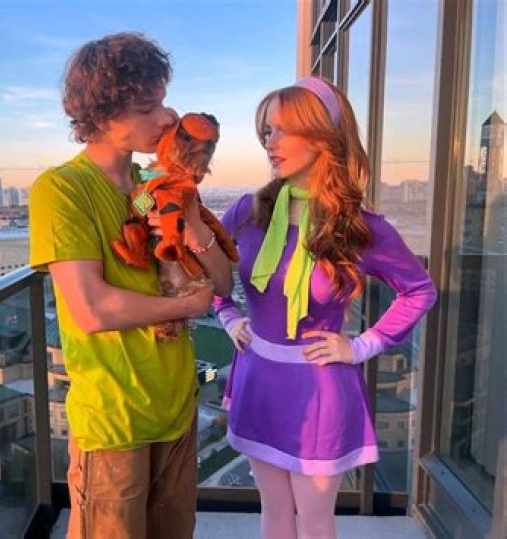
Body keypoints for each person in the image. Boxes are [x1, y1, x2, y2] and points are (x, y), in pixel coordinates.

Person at [213, 77, 437, 539]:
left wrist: (361, 346)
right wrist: (228, 315)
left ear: (323, 138)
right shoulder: (247, 212)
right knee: (273, 512)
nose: (270, 143)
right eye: (267, 131)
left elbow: (419, 290)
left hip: (319, 390)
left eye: (283, 130)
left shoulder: (359, 228)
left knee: (315, 522)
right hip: (258, 379)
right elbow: (203, 270)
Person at [29, 32, 233, 539]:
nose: (167, 118)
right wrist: (189, 305)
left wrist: (191, 220)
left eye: (164, 101)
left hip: (176, 406)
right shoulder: (62, 189)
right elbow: (91, 308)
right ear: (100, 117)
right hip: (114, 418)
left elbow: (223, 282)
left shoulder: (149, 189)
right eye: (147, 107)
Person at [111, 112, 239, 339]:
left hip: (175, 263)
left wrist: (194, 232)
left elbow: (224, 287)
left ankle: (172, 317)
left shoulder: (177, 189)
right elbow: (141, 206)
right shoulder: (141, 180)